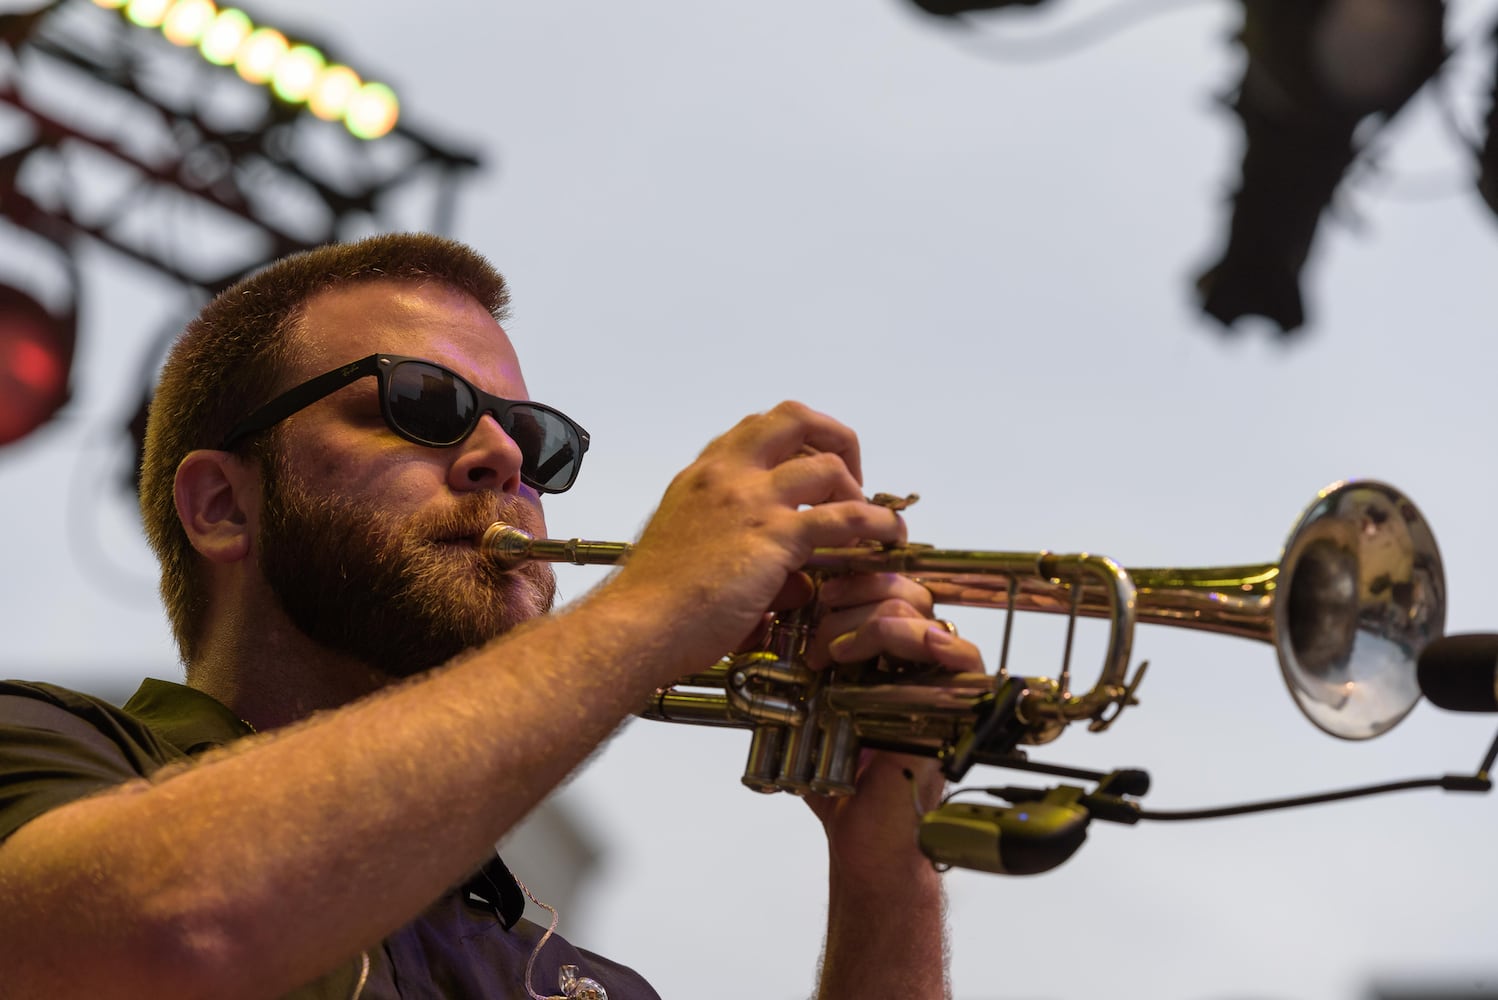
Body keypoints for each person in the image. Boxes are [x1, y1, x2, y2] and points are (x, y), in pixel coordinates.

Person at [0, 233, 979, 999]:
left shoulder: (577, 983)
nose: (502, 457)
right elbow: (163, 932)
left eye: (534, 437)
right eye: (423, 400)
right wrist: (656, 603)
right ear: (220, 505)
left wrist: (889, 862)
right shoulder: (40, 752)